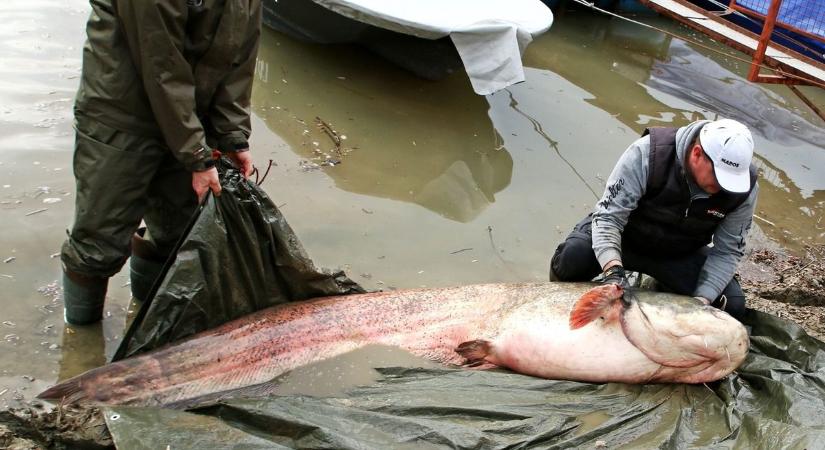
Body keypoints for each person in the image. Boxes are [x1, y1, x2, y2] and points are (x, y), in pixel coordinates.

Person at [60, 0, 262, 325]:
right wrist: (197, 156)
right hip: (122, 116)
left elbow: (238, 61)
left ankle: (145, 317)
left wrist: (233, 137)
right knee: (99, 243)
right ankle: (81, 342)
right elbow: (161, 65)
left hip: (189, 118)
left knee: (176, 233)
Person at [549, 119, 758, 320]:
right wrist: (613, 272)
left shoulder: (743, 190)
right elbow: (608, 218)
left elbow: (728, 251)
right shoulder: (648, 154)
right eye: (720, 177)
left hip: (679, 253)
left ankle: (660, 289)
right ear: (697, 154)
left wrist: (701, 302)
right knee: (570, 260)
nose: (725, 187)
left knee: (732, 305)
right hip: (626, 238)